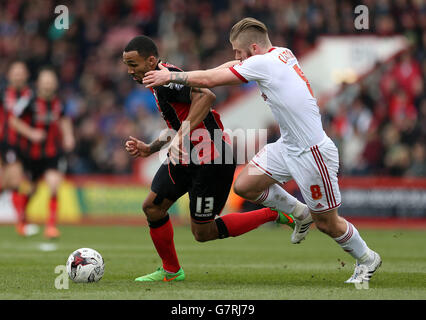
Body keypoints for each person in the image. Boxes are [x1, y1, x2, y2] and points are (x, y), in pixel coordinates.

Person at [142, 18, 382, 284]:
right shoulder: (281, 53)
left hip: (312, 152)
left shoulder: (263, 63)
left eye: (238, 51)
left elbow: (211, 79)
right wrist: (187, 74)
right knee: (245, 185)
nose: (236, 56)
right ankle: (299, 213)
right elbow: (226, 68)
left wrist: (171, 76)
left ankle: (367, 259)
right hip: (287, 146)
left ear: (254, 48)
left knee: (327, 223)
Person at [122, 35, 301, 282]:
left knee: (203, 232)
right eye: (127, 65)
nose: (130, 71)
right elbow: (178, 123)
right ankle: (172, 271)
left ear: (151, 60)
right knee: (152, 207)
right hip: (187, 156)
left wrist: (181, 136)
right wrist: (151, 148)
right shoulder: (158, 82)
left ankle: (274, 214)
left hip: (212, 159)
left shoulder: (168, 79)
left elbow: (206, 95)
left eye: (134, 64)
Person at [10, 67, 75, 239]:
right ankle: (22, 220)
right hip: (32, 154)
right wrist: (31, 133)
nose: (48, 85)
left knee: (54, 185)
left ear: (54, 84)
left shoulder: (58, 102)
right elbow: (13, 121)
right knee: (31, 190)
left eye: (51, 81)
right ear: (39, 83)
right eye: (45, 81)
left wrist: (68, 136)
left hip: (53, 152)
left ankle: (51, 227)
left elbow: (64, 119)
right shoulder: (29, 100)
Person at [0, 61, 38, 236]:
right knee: (14, 182)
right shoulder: (2, 92)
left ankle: (22, 220)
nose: (18, 75)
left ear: (26, 75)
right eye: (15, 72)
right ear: (9, 75)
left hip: (29, 147)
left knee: (29, 186)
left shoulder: (32, 95)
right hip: (7, 143)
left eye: (21, 72)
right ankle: (22, 223)